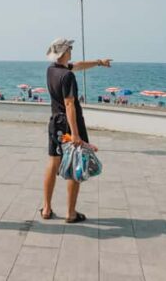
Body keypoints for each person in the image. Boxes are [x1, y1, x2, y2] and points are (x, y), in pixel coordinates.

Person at [41, 37, 112, 224]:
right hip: (69, 124)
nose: (71, 51)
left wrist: (99, 62)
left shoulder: (51, 70)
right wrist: (75, 134)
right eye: (70, 48)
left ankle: (46, 208)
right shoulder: (68, 76)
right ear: (64, 52)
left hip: (55, 123)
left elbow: (78, 65)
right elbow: (69, 104)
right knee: (75, 164)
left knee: (53, 163)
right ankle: (71, 213)